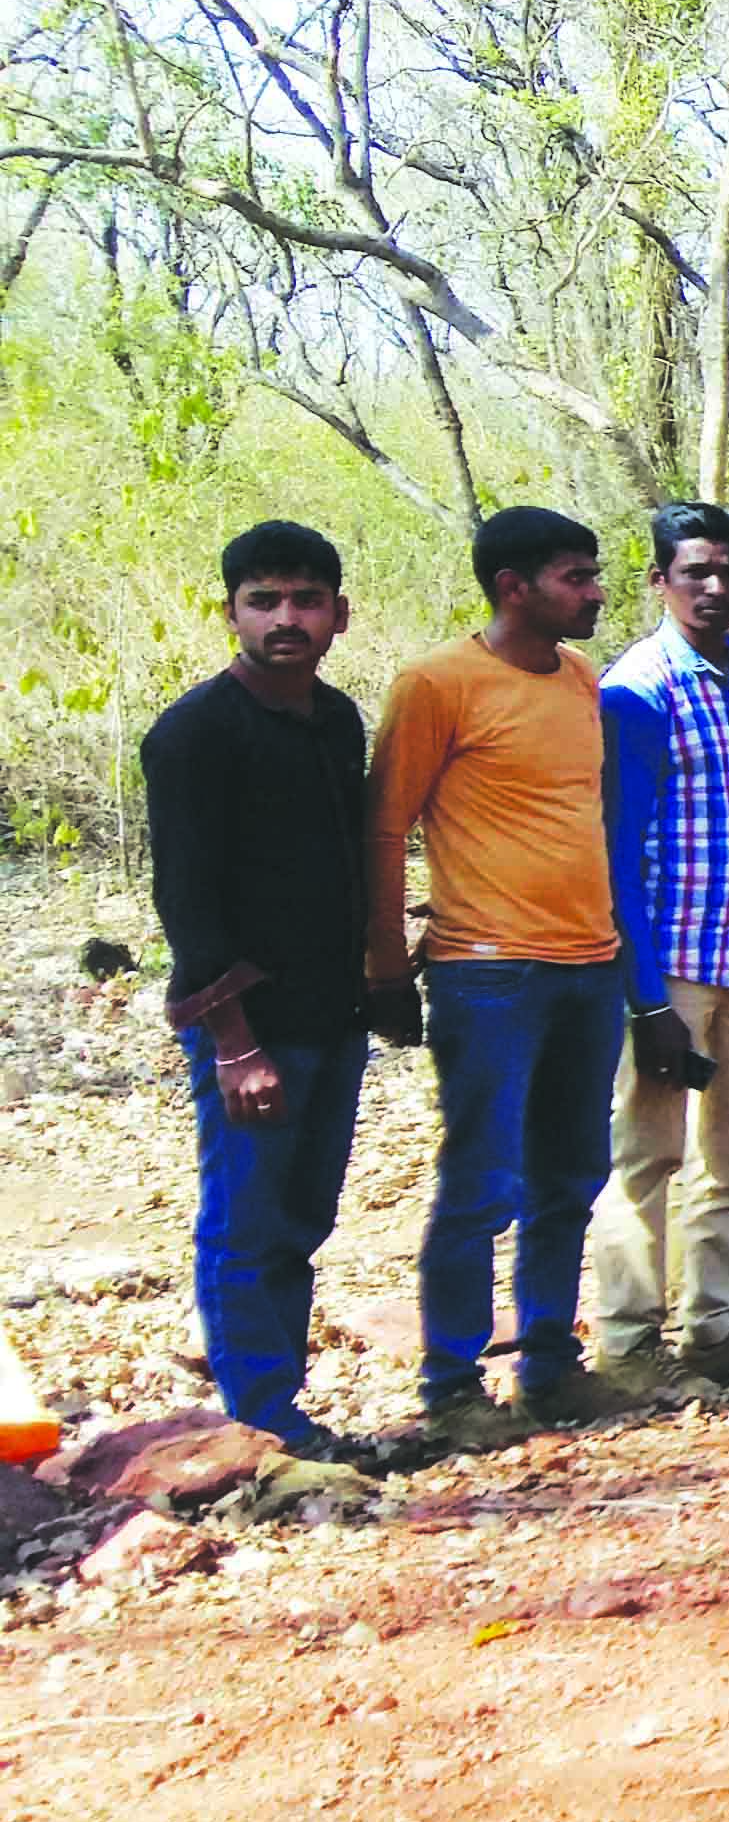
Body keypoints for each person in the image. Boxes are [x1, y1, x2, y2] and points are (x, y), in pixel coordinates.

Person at [372, 505, 628, 1446]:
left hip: (588, 966)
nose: (594, 591)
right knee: (482, 1179)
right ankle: (450, 1384)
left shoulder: (581, 679)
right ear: (512, 587)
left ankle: (550, 1368)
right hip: (487, 971)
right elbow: (386, 825)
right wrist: (384, 964)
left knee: (571, 1176)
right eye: (575, 575)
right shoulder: (439, 683)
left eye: (593, 572)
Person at [146, 522, 391, 1462]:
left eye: (304, 600)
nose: (285, 619)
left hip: (332, 1012)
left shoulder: (335, 722)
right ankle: (257, 1424)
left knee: (303, 1218)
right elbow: (188, 902)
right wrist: (234, 1042)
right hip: (246, 1024)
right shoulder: (194, 735)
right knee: (245, 1221)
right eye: (263, 601)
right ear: (231, 613)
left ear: (338, 613)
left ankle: (282, 1407)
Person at [589, 500, 729, 1396]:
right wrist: (642, 996)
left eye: (727, 571)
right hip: (670, 959)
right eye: (694, 571)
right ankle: (630, 1343)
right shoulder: (637, 688)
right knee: (647, 1154)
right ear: (659, 581)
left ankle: (719, 1321)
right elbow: (618, 842)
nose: (713, 587)